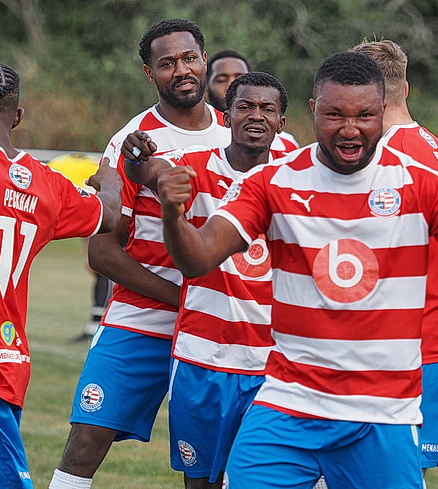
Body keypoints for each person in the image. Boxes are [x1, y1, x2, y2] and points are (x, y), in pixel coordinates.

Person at [155, 51, 438, 489]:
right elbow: (197, 259)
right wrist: (174, 217)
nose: (350, 129)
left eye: (365, 115)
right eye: (334, 115)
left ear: (383, 113)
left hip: (381, 413)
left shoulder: (424, 182)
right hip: (290, 404)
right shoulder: (273, 182)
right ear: (313, 111)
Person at [49, 18, 231, 489]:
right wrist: (178, 297)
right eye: (167, 63)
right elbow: (102, 253)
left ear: (204, 60)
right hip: (144, 316)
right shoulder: (132, 142)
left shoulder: (238, 134)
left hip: (219, 321)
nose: (182, 70)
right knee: (85, 440)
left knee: (204, 464)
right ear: (150, 73)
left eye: (190, 58)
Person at [0, 62, 122, 489]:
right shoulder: (47, 184)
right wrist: (111, 180)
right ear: (18, 116)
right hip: (0, 370)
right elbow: (107, 214)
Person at [124, 71, 288, 489]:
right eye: (245, 106)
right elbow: (148, 172)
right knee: (201, 482)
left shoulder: (295, 180)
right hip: (202, 357)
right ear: (226, 115)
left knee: (268, 478)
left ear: (282, 123)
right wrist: (135, 157)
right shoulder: (193, 169)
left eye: (267, 109)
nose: (256, 116)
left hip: (272, 362)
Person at [352, 39, 438, 476]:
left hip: (423, 342)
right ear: (405, 88)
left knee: (386, 473)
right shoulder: (431, 145)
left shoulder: (391, 158)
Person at [47, 153, 113, 339]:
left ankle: (98, 322)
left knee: (107, 273)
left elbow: (98, 220)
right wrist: (88, 253)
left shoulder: (95, 189)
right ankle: (96, 321)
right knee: (101, 272)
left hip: (115, 233)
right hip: (101, 228)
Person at [206, 48, 300, 154]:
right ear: (206, 90)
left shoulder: (286, 145)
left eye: (241, 79)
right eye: (221, 80)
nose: (231, 85)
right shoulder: (198, 141)